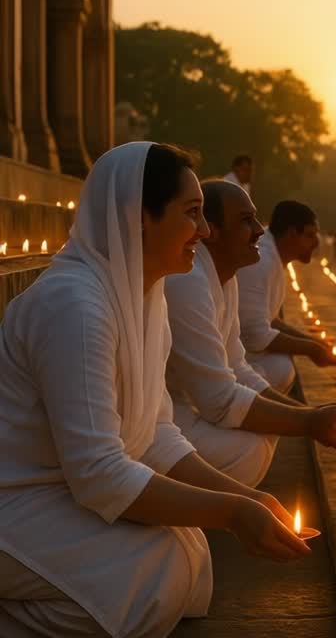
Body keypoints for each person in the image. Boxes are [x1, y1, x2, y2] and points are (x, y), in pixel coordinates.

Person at [0, 143, 310, 637]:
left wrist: (244, 498)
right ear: (138, 217)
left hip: (60, 494)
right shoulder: (75, 306)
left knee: (186, 552)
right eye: (191, 215)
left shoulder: (145, 298)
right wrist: (232, 511)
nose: (204, 232)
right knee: (157, 572)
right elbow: (99, 471)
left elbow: (154, 434)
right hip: (15, 503)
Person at [166, 180, 336, 487]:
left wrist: (308, 413)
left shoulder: (223, 276)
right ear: (210, 229)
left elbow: (237, 366)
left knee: (264, 431)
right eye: (246, 221)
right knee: (252, 447)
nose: (260, 229)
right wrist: (309, 421)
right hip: (161, 416)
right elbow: (220, 398)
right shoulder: (188, 280)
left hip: (189, 401)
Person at [237, 200, 336, 390]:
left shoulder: (274, 259)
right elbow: (255, 334)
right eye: (310, 235)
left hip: (241, 351)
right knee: (281, 366)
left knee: (282, 361)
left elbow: (269, 319)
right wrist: (310, 349)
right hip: (228, 359)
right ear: (292, 233)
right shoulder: (261, 260)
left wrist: (312, 341)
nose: (316, 243)